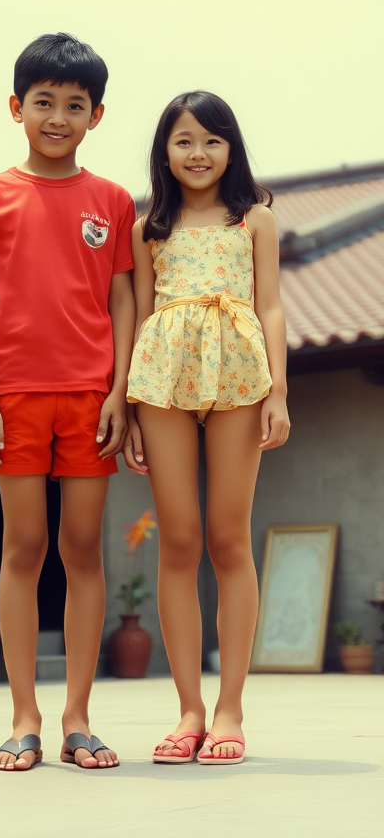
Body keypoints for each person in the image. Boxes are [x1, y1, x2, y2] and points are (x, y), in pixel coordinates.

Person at [0, 33, 135, 771]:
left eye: (74, 105)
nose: (57, 116)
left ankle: (77, 717)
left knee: (82, 551)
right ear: (16, 107)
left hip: (90, 399)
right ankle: (24, 717)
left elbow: (124, 299)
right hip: (15, 396)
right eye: (44, 102)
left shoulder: (112, 201)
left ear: (96, 115)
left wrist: (121, 393)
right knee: (22, 549)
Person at [124, 91, 290, 764]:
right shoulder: (147, 228)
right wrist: (131, 407)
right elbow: (135, 315)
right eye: (184, 141)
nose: (198, 154)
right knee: (179, 540)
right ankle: (189, 708)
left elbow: (273, 308)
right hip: (161, 375)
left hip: (239, 372)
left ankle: (229, 709)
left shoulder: (255, 221)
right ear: (165, 150)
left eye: (211, 141)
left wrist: (278, 391)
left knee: (228, 537)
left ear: (232, 148)